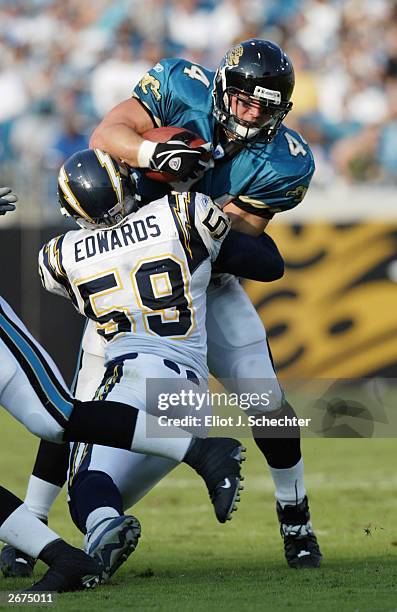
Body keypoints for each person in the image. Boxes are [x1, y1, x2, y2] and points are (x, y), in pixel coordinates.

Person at [3, 39, 322, 577]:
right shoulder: (180, 83)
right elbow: (107, 135)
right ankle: (30, 527)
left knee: (266, 401)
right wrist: (154, 156)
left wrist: (177, 209)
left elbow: (236, 244)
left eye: (263, 107)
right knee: (70, 406)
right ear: (222, 89)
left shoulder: (285, 161)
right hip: (128, 270)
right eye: (243, 99)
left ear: (280, 112)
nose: (249, 114)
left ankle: (296, 518)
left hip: (203, 280)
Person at [0, 183, 247, 589]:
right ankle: (73, 543)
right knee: (60, 418)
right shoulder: (179, 212)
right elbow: (263, 261)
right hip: (193, 390)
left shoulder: (61, 255)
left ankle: (79, 528)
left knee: (70, 436)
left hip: (132, 378)